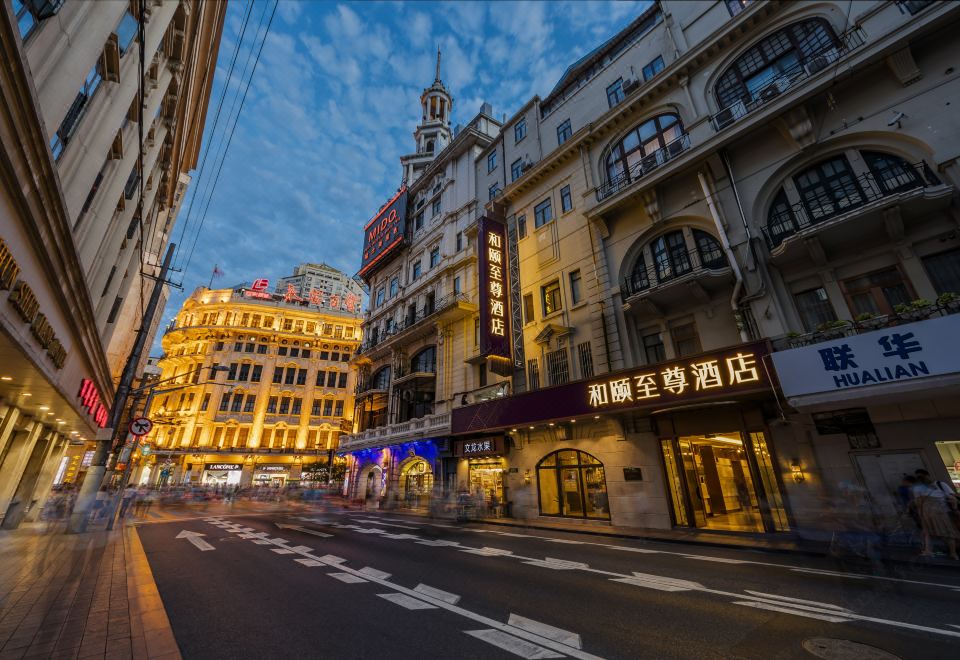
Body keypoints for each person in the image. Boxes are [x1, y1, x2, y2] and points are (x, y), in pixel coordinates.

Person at [912, 469, 959, 560]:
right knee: (949, 533)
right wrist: (955, 508)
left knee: (935, 533)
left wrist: (921, 515)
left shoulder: (918, 489)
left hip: (930, 514)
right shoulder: (940, 484)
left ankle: (936, 551)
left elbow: (918, 504)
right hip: (942, 512)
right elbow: (953, 498)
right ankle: (953, 553)